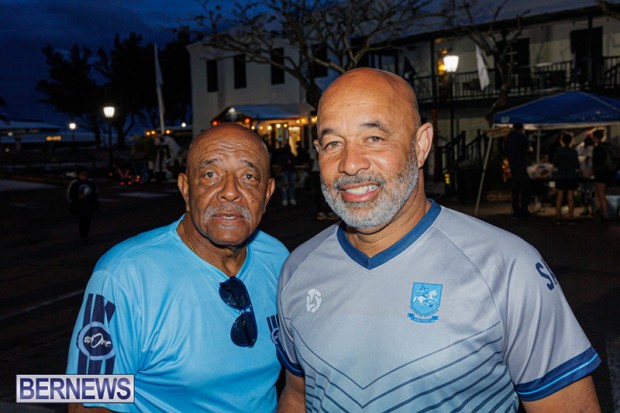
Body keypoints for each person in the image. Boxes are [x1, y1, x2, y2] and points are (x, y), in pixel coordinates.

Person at [276, 68, 601, 412]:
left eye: (374, 138)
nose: (350, 164)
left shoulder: (506, 268)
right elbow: (297, 395)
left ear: (421, 145)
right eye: (332, 144)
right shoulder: (298, 269)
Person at [66, 123, 288, 412]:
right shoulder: (124, 275)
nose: (230, 192)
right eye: (210, 175)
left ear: (267, 193)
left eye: (248, 177)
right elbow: (86, 403)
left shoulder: (279, 258)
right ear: (185, 189)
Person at [504, 123, 533, 218]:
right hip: (521, 164)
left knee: (515, 187)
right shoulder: (522, 137)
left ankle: (516, 208)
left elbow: (505, 150)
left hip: (513, 165)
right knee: (525, 187)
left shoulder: (509, 137)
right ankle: (524, 208)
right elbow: (528, 149)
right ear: (521, 128)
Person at [552, 131, 581, 224]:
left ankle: (558, 217)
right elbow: (577, 165)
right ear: (571, 140)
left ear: (562, 140)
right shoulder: (573, 151)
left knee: (559, 197)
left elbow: (555, 163)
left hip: (561, 175)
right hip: (571, 175)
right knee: (570, 197)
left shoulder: (558, 151)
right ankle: (570, 217)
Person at [66, 167, 99, 244]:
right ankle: (83, 236)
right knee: (82, 221)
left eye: (85, 174)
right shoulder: (75, 183)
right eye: (82, 174)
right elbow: (70, 194)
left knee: (88, 222)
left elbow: (95, 194)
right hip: (80, 206)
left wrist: (95, 204)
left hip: (89, 206)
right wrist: (72, 204)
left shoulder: (90, 182)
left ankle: (85, 236)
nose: (84, 176)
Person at [592, 128, 614, 221]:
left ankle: (604, 212)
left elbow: (595, 162)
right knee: (600, 193)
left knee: (600, 194)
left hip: (600, 173)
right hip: (609, 172)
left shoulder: (597, 148)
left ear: (595, 138)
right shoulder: (608, 146)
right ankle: (602, 211)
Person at [577, 134, 595, 216]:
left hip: (582, 173)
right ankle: (593, 208)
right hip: (593, 173)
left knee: (583, 192)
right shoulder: (595, 149)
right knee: (592, 192)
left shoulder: (580, 148)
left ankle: (586, 208)